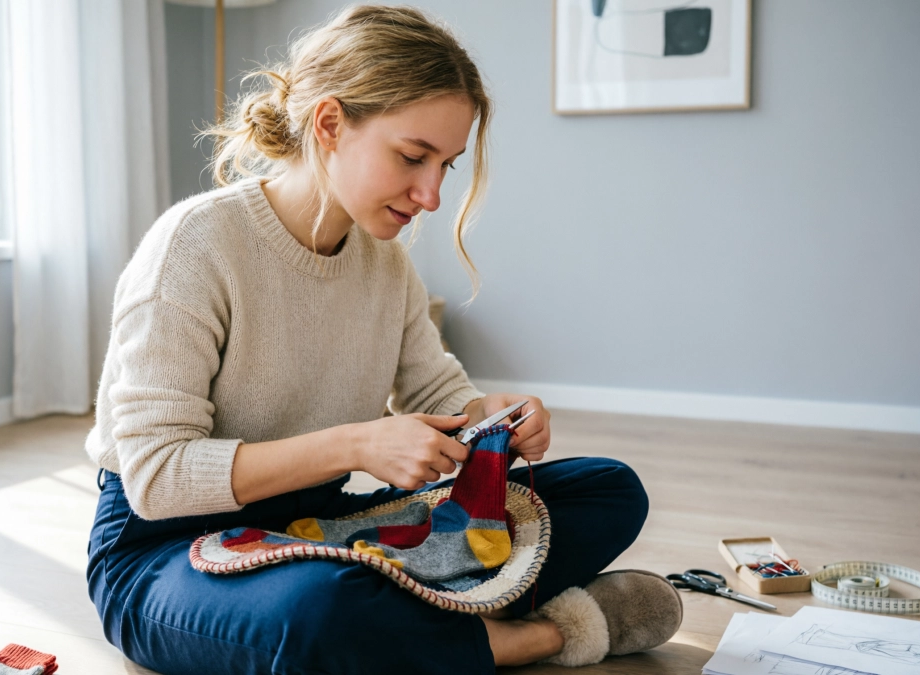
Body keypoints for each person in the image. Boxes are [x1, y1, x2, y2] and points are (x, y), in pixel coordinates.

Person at [85, 5, 679, 673]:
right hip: (165, 551)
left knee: (608, 489)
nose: (430, 195)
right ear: (330, 124)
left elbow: (439, 393)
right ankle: (539, 634)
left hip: (322, 529)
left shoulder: (384, 260)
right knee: (323, 611)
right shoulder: (195, 246)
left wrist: (494, 419)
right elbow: (156, 479)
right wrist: (357, 443)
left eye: (446, 166)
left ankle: (405, 629)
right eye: (412, 156)